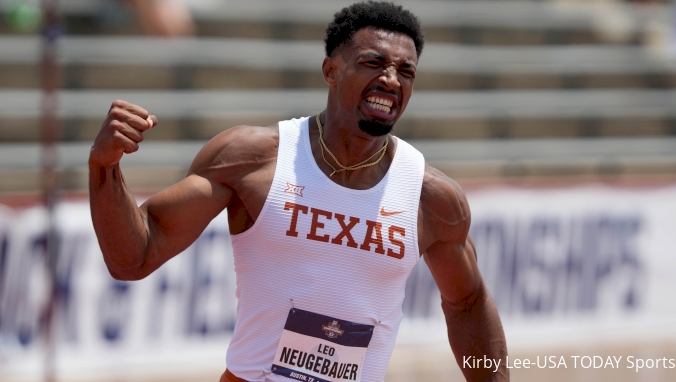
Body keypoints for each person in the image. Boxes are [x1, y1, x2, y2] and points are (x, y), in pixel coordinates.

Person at [88, 2, 508, 381]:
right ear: (330, 70)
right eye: (373, 62)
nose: (391, 79)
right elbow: (134, 257)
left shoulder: (430, 198)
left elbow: (468, 304)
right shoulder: (252, 160)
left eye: (406, 71)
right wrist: (105, 168)